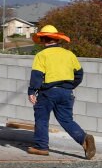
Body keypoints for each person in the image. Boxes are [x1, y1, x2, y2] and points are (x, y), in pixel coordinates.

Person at [26, 25, 95, 159]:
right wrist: (69, 86)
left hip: (48, 92)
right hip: (67, 93)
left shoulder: (41, 55)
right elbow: (79, 74)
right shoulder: (69, 54)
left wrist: (32, 91)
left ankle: (41, 147)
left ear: (44, 39)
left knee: (42, 118)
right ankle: (83, 138)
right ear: (57, 39)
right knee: (66, 120)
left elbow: (37, 75)